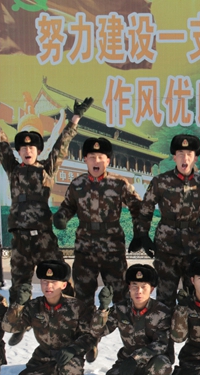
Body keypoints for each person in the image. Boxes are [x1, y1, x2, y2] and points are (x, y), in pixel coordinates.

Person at [0, 96, 93, 344]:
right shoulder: (13, 170)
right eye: (23, 148)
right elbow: (1, 146)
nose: (27, 151)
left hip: (44, 239)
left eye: (32, 148)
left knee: (62, 280)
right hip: (21, 240)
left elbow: (62, 145)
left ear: (38, 151)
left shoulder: (46, 169)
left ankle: (80, 327)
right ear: (19, 152)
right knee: (19, 286)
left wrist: (75, 119)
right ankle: (20, 323)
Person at [53, 136, 142, 361]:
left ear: (108, 160)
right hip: (85, 249)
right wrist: (61, 217)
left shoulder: (119, 183)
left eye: (101, 157)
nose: (96, 161)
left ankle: (131, 344)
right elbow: (67, 206)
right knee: (83, 297)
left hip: (113, 249)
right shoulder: (77, 184)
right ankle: (89, 340)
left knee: (121, 298)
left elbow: (138, 208)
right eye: (92, 157)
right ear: (85, 159)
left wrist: (139, 233)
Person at [131, 134, 200, 309]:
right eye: (180, 154)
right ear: (174, 157)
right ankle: (164, 328)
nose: (185, 158)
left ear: (195, 158)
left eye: (189, 154)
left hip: (193, 247)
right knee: (165, 298)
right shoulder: (161, 182)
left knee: (194, 297)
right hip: (166, 247)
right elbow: (146, 209)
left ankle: (193, 328)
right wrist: (143, 235)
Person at [3, 260, 96, 375]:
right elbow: (9, 327)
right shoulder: (34, 306)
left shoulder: (76, 307)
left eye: (54, 282)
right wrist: (18, 305)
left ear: (63, 285)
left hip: (68, 356)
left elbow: (90, 336)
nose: (49, 286)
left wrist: (73, 349)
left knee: (71, 369)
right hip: (43, 356)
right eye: (45, 281)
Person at [93, 265, 172, 375]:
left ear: (152, 289)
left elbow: (161, 344)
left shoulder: (162, 312)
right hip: (127, 361)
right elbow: (98, 331)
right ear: (129, 287)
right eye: (134, 286)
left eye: (143, 286)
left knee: (162, 365)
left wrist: (136, 358)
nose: (138, 291)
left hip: (152, 360)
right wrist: (103, 310)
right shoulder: (120, 309)